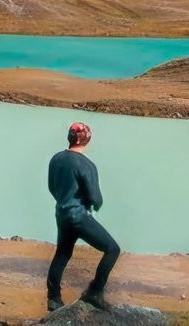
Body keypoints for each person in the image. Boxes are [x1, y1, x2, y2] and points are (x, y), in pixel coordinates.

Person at [45, 121, 118, 311]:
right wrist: (94, 205)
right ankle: (94, 292)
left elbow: (52, 187)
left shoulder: (56, 158)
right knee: (112, 249)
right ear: (86, 140)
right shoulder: (86, 164)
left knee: (63, 253)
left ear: (70, 138)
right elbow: (96, 198)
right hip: (79, 217)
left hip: (62, 214)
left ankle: (53, 298)